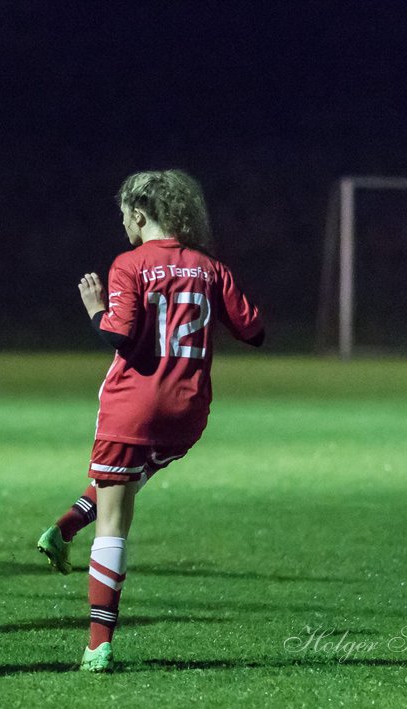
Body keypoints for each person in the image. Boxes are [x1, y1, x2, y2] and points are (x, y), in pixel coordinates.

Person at [70, 169, 266, 673]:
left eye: (123, 216)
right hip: (188, 413)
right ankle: (64, 523)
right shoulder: (209, 267)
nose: (122, 225)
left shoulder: (129, 264)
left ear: (138, 215)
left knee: (114, 518)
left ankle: (98, 644)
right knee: (128, 482)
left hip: (134, 405)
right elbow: (254, 330)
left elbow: (120, 334)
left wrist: (94, 311)